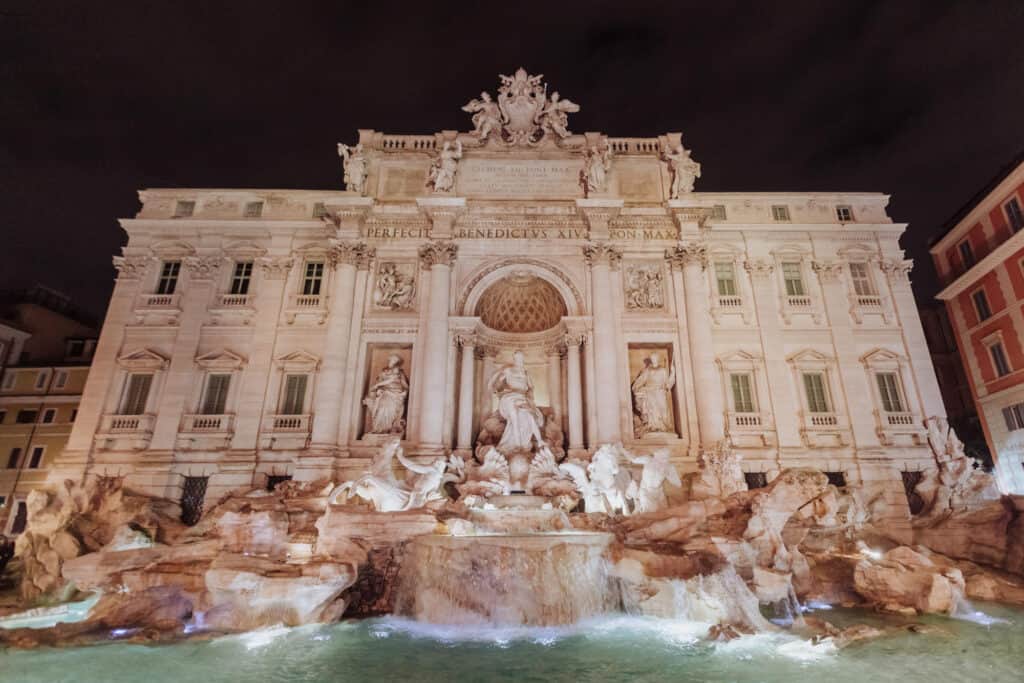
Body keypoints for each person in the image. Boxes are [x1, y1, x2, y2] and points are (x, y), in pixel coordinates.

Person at [488, 350, 545, 453]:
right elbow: (497, 383)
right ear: (514, 359)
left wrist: (530, 400)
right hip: (509, 397)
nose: (520, 360)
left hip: (522, 398)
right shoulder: (508, 370)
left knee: (530, 416)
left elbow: (531, 387)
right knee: (514, 416)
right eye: (518, 358)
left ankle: (540, 441)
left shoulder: (525, 372)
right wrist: (497, 389)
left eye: (521, 358)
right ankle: (518, 445)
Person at [363, 355, 409, 434]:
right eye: (390, 360)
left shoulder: (400, 373)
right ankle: (379, 428)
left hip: (396, 395)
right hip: (385, 393)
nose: (390, 362)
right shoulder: (384, 372)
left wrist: (404, 392)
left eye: (393, 360)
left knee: (391, 410)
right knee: (381, 409)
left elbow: (405, 386)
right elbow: (378, 383)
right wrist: (378, 389)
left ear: (397, 363)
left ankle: (389, 428)